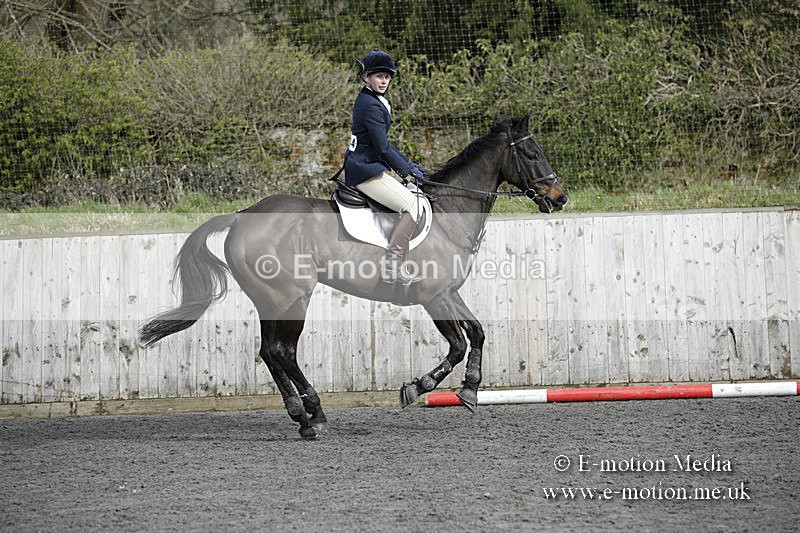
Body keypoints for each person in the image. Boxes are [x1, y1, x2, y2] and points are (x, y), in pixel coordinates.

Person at [344, 49, 425, 283]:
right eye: (378, 76)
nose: (384, 81)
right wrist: (406, 170)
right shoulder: (370, 104)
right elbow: (382, 148)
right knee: (414, 206)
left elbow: (384, 145)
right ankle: (392, 266)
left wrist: (408, 163)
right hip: (365, 170)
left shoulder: (375, 100)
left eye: (387, 77)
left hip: (367, 164)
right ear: (365, 77)